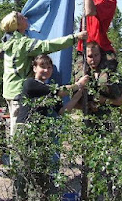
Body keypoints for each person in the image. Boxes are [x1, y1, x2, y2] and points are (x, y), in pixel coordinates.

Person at [0, 11, 87, 136]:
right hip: (18, 92)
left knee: (17, 129)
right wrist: (74, 38)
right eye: (21, 17)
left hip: (9, 91)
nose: (25, 17)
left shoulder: (8, 43)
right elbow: (47, 46)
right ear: (17, 25)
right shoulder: (22, 44)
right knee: (19, 132)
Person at [14, 54, 89, 199]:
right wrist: (78, 84)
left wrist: (77, 96)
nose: (46, 70)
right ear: (34, 68)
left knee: (40, 172)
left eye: (49, 67)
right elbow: (59, 91)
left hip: (41, 134)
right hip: (26, 130)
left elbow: (62, 111)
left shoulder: (50, 91)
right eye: (42, 66)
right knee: (24, 171)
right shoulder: (30, 84)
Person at [75, 42, 122, 122]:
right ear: (85, 58)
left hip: (111, 119)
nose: (93, 59)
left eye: (96, 55)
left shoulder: (111, 73)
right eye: (90, 56)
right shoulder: (82, 76)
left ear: (100, 55)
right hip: (89, 120)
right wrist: (89, 105)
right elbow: (73, 102)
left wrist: (106, 101)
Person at [78, 0, 120, 71]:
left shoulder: (110, 3)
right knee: (81, 82)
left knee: (106, 81)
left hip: (102, 48)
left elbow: (90, 11)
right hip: (84, 47)